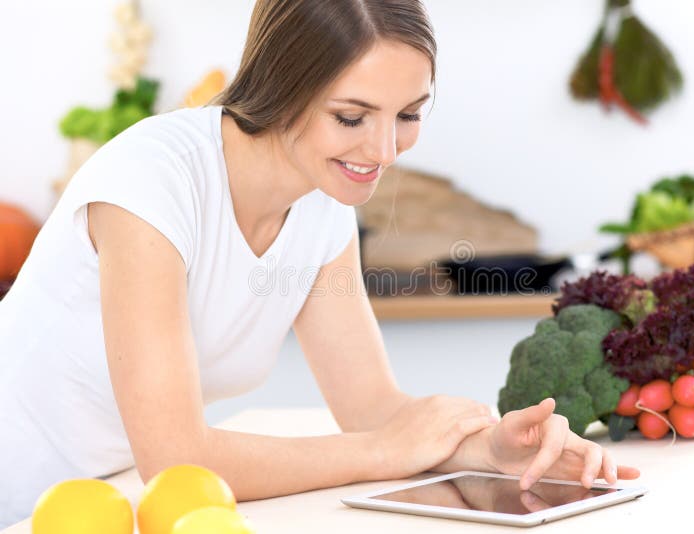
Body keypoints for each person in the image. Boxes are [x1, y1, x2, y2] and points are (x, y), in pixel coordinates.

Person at [0, 0, 639, 527]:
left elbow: (372, 408)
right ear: (281, 87)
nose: (384, 150)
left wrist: (493, 449)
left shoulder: (321, 202)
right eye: (351, 116)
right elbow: (176, 455)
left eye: (409, 115)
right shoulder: (151, 183)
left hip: (107, 502)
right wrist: (383, 452)